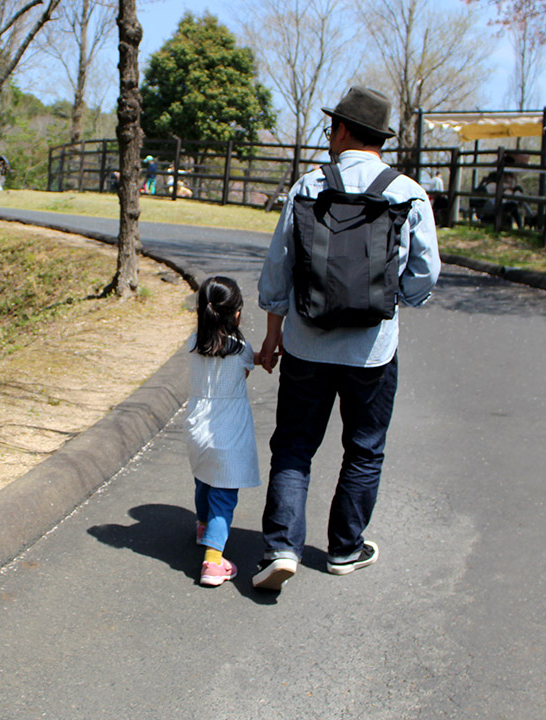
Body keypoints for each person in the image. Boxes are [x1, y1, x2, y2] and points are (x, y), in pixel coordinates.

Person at [252, 86, 440, 591]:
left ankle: (281, 548)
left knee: (294, 445)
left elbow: (278, 268)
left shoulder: (307, 187)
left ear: (340, 131)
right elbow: (426, 272)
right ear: (380, 138)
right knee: (363, 448)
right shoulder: (408, 192)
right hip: (372, 350)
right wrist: (391, 298)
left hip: (306, 344)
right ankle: (344, 548)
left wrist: (273, 333)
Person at [184, 276, 261, 587]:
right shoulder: (242, 348)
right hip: (227, 432)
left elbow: (215, 357)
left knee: (204, 478)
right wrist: (262, 358)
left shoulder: (192, 342)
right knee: (224, 496)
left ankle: (203, 526)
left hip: (198, 428)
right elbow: (240, 370)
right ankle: (213, 563)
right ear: (237, 314)